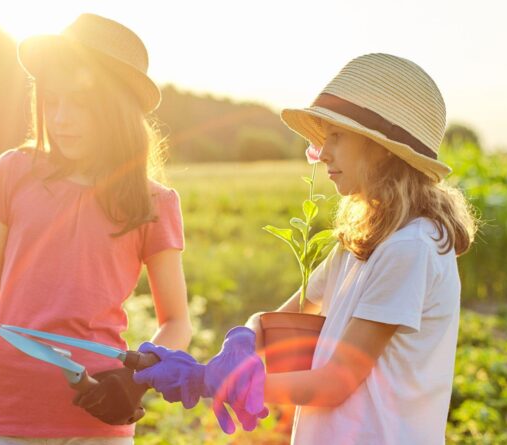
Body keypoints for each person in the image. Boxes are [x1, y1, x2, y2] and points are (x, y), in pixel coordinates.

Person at [136, 53, 477, 445]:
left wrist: (213, 381)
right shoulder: (362, 241)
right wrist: (242, 340)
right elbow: (286, 317)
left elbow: (336, 382)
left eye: (336, 136)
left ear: (382, 148)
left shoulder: (410, 248)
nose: (323, 152)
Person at [0, 13, 192, 445]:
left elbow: (177, 321)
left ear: (118, 109)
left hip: (99, 416)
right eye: (54, 100)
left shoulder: (155, 201)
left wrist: (134, 378)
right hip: (8, 414)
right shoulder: (14, 172)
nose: (63, 118)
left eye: (82, 103)